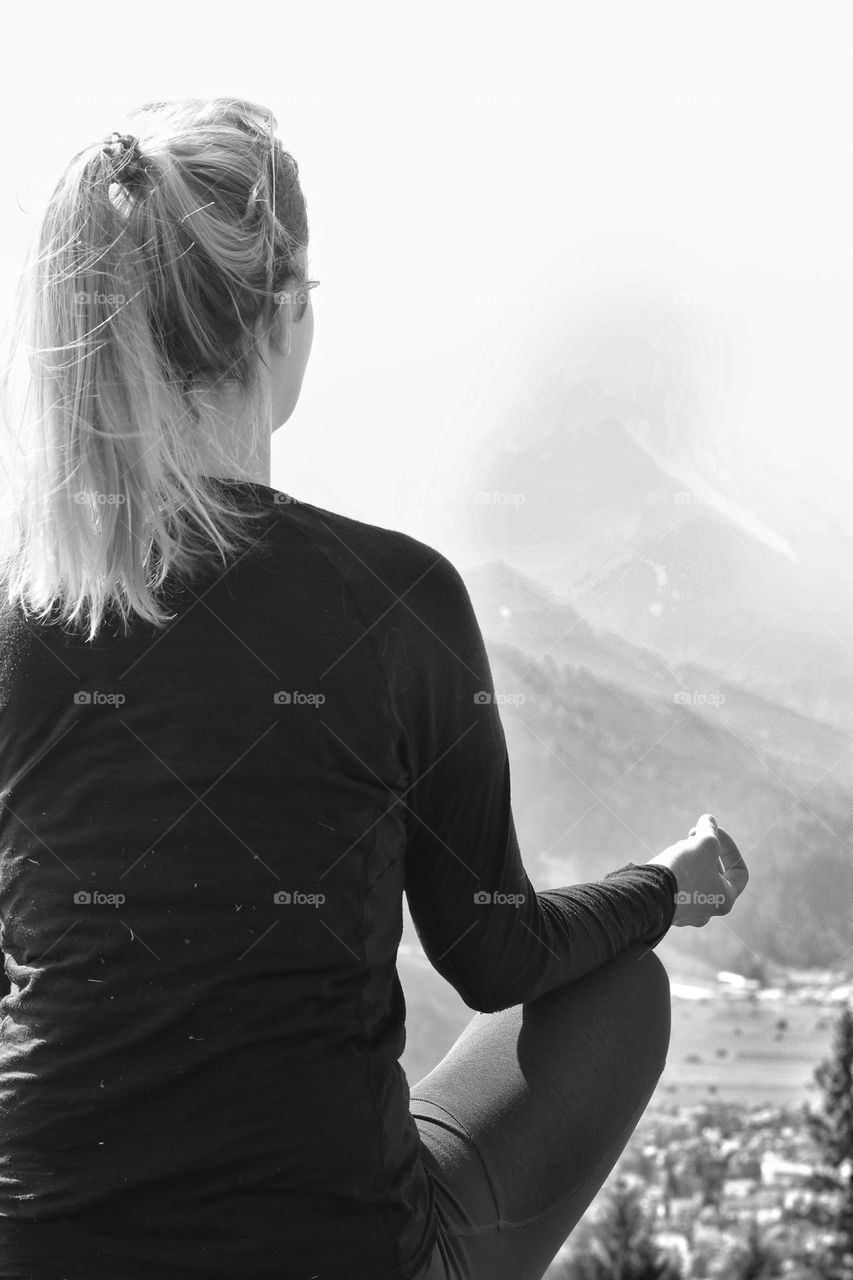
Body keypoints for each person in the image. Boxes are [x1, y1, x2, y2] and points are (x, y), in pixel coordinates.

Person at [0, 97, 749, 1280]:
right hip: (337, 1249)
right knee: (622, 994)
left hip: (39, 1244)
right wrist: (664, 885)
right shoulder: (397, 600)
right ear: (282, 311)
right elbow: (497, 958)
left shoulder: (20, 618)